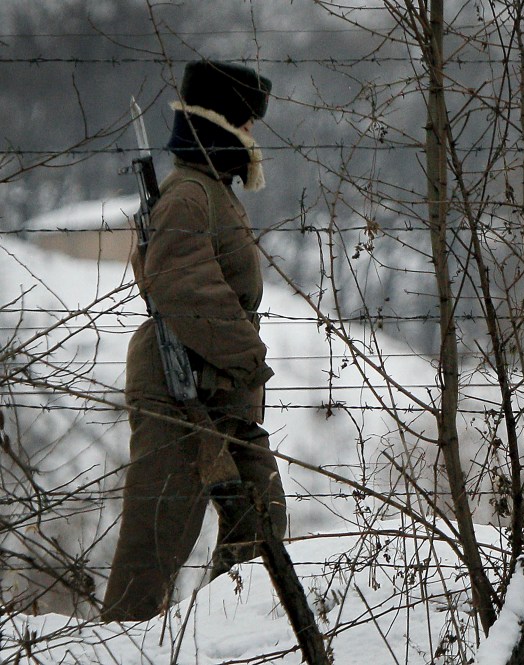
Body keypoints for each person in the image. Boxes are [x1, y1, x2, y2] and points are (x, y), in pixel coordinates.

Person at [102, 61, 286, 621]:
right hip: (181, 392)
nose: (252, 135)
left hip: (218, 392)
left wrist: (240, 372)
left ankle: (223, 631)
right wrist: (250, 360)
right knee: (153, 549)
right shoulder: (189, 195)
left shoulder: (207, 191)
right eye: (247, 124)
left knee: (258, 520)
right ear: (224, 124)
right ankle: (116, 647)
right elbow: (185, 289)